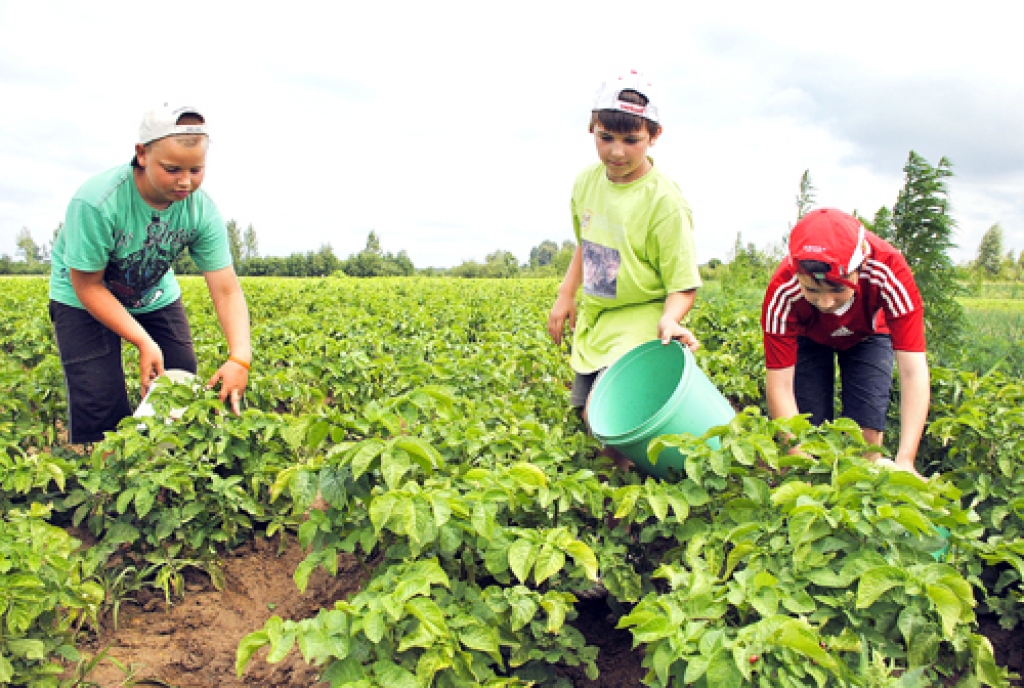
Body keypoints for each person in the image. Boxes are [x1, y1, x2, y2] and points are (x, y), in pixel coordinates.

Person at [48, 103, 251, 445]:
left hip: (152, 292)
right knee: (99, 399)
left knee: (181, 381)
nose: (185, 182)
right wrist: (143, 340)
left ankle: (165, 473)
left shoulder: (201, 210)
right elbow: (88, 285)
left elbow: (227, 290)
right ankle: (106, 476)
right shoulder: (97, 202)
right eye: (172, 169)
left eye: (196, 169)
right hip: (82, 298)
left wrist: (240, 358)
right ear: (142, 154)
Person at [547, 70, 702, 469]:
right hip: (599, 321)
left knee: (611, 416)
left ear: (654, 136)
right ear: (592, 130)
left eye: (630, 140)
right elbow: (588, 243)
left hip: (642, 321)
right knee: (590, 419)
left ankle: (645, 502)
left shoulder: (664, 203)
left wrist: (671, 320)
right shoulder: (586, 183)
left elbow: (683, 284)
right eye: (606, 138)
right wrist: (566, 295)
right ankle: (624, 495)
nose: (616, 151)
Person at [761, 207, 930, 475]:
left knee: (867, 438)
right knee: (807, 433)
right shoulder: (782, 291)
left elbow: (913, 371)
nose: (826, 302)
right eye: (812, 290)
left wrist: (906, 459)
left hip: (869, 333)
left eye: (838, 288)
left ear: (860, 266)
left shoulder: (889, 269)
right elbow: (780, 388)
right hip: (808, 337)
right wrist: (800, 464)